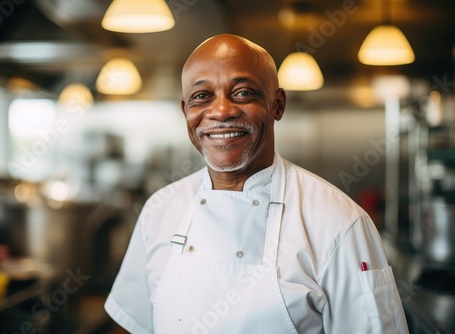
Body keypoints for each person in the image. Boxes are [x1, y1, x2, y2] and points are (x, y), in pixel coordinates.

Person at [105, 34, 409, 333]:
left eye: (243, 93)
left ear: (278, 105)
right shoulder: (160, 208)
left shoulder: (340, 222)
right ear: (186, 111)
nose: (221, 111)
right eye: (202, 96)